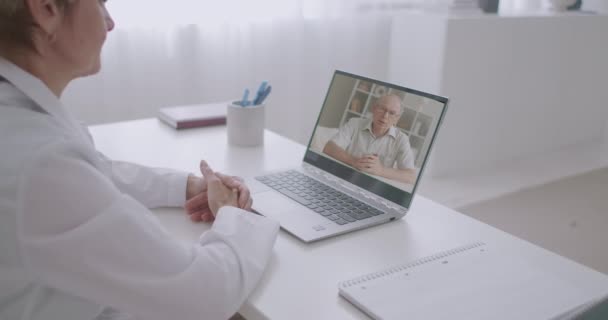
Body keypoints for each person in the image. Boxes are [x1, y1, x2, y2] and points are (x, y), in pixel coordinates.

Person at [0, 1, 279, 320]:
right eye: (100, 3)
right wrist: (235, 215)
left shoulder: (20, 125)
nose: (110, 22)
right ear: (46, 8)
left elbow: (95, 170)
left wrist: (190, 186)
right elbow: (203, 295)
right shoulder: (40, 163)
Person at [323, 94, 416, 184]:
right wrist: (354, 161)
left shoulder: (402, 139)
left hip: (374, 188)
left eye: (392, 113)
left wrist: (381, 170)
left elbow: (410, 176)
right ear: (374, 108)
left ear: (397, 118)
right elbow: (329, 147)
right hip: (343, 178)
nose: (385, 116)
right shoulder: (354, 123)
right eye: (382, 109)